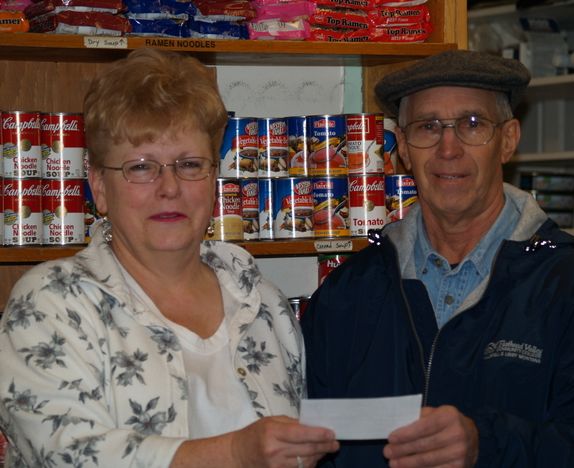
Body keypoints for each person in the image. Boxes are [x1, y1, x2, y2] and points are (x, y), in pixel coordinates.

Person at [0, 48, 338, 467]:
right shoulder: (51, 305)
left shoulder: (263, 304)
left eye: (190, 164)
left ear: (214, 177)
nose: (169, 187)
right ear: (99, 185)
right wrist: (234, 453)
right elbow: (67, 455)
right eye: (141, 167)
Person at [301, 49, 574, 467]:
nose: (447, 148)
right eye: (427, 126)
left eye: (472, 125)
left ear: (508, 140)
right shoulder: (349, 294)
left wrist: (486, 444)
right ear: (402, 147)